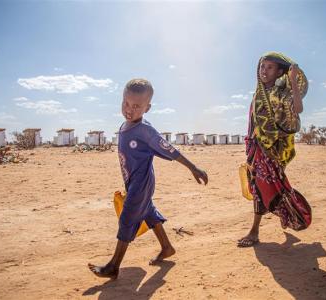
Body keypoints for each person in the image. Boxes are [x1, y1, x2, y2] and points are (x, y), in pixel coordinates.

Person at [88, 78, 208, 278]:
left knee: (127, 219)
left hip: (142, 183)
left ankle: (113, 266)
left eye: (136, 106)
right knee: (148, 213)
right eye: (126, 103)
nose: (129, 109)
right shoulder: (125, 125)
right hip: (134, 181)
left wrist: (193, 167)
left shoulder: (145, 130)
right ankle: (167, 247)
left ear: (147, 108)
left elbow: (170, 149)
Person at [237, 52, 312, 247]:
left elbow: (298, 108)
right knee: (258, 186)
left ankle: (292, 214)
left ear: (280, 71)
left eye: (270, 67)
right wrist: (250, 145)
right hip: (256, 148)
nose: (264, 71)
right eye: (262, 66)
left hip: (276, 150)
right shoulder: (257, 95)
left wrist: (293, 81)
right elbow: (254, 123)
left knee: (273, 185)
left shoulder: (282, 92)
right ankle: (254, 230)